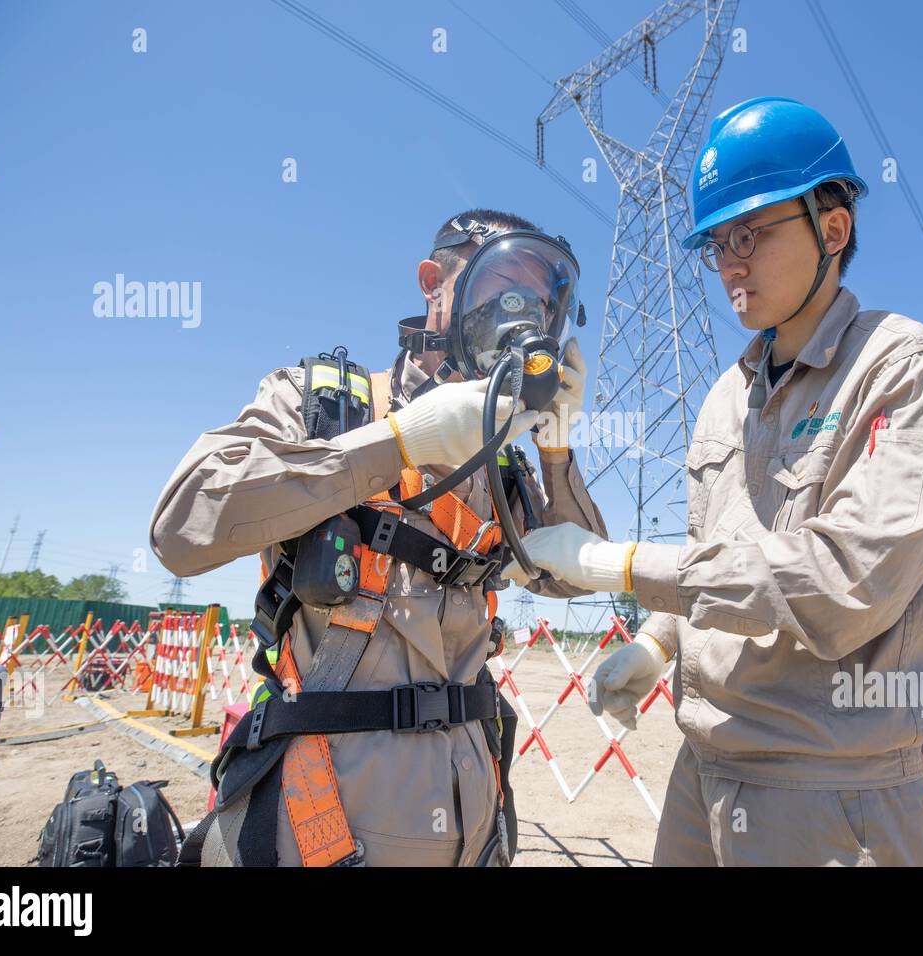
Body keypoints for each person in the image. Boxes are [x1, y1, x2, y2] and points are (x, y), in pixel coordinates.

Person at [506, 97, 923, 866]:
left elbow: (849, 579)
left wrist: (615, 564)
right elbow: (716, 556)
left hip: (827, 786)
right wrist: (658, 646)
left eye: (751, 233)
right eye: (716, 242)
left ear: (833, 228)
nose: (729, 261)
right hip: (705, 770)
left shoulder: (905, 370)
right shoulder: (731, 393)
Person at [150, 208, 607, 866]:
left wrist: (557, 445)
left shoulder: (504, 464)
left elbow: (572, 574)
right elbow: (180, 528)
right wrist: (395, 443)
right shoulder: (328, 405)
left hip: (477, 836)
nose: (521, 314)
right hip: (317, 831)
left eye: (538, 301)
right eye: (502, 285)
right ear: (433, 282)